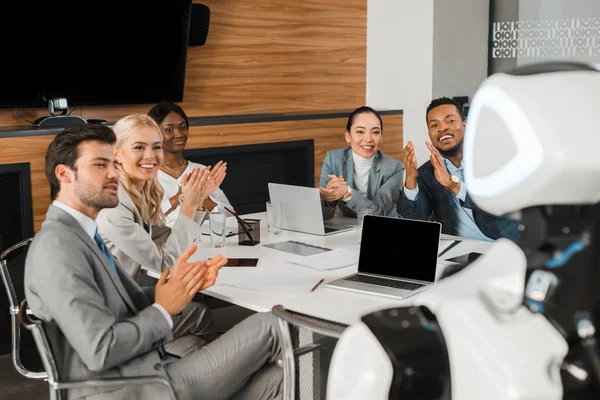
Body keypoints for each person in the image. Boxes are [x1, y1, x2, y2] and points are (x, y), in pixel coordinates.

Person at [24, 124, 283, 399]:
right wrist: (162, 308)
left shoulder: (80, 234)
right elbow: (100, 350)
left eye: (113, 164)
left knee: (277, 378)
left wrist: (180, 288)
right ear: (64, 174)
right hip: (133, 387)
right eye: (100, 165)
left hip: (147, 366)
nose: (113, 174)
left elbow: (117, 303)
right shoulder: (59, 248)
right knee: (274, 324)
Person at [398, 97, 519, 241]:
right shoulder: (426, 173)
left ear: (465, 125)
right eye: (434, 125)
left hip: (502, 244)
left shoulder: (492, 158)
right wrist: (411, 179)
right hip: (458, 252)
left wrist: (452, 185)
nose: (443, 128)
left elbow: (498, 207)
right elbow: (414, 222)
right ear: (429, 133)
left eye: (450, 121)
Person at [148, 101, 233, 228]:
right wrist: (179, 197)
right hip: (164, 244)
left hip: (203, 242)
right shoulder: (147, 174)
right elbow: (145, 220)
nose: (179, 134)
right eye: (169, 129)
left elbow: (230, 217)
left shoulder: (201, 171)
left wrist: (202, 197)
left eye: (182, 127)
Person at [319, 106, 404, 219]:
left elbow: (379, 213)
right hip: (346, 227)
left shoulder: (395, 168)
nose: (368, 139)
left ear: (381, 137)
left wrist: (347, 193)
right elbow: (323, 216)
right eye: (360, 131)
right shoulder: (333, 159)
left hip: (384, 228)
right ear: (348, 136)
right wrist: (329, 199)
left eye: (375, 132)